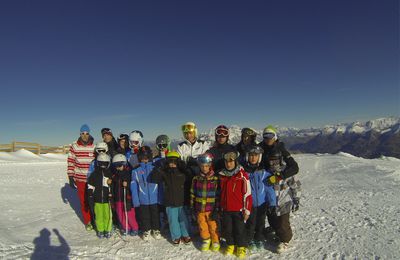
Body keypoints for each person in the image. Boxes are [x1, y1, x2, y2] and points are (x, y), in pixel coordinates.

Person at [260, 125, 300, 253]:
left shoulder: (281, 150)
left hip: (283, 198)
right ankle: (274, 229)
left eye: (270, 136)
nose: (268, 138)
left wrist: (296, 199)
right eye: (265, 136)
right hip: (271, 195)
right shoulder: (261, 149)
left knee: (283, 221)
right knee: (272, 217)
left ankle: (285, 240)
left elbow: (294, 178)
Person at [151, 151, 192, 246]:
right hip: (170, 202)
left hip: (181, 201)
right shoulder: (165, 173)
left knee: (183, 220)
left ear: (178, 162)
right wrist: (160, 167)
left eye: (175, 161)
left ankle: (185, 235)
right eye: (170, 161)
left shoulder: (183, 172)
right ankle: (176, 236)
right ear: (167, 162)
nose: (172, 164)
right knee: (173, 221)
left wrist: (185, 167)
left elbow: (190, 179)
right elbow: (154, 179)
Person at [219, 151, 252, 258]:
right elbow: (219, 193)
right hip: (226, 209)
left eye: (231, 161)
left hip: (238, 210)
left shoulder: (242, 175)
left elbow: (247, 194)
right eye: (226, 162)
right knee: (228, 229)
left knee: (239, 230)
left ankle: (241, 247)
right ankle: (230, 245)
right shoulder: (221, 175)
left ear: (235, 162)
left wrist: (247, 210)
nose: (228, 164)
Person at [243, 145, 276, 253]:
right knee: (250, 223)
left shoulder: (264, 173)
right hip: (250, 204)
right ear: (247, 156)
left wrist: (272, 203)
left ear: (259, 157)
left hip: (262, 204)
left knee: (261, 222)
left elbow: (269, 190)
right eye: (251, 155)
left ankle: (259, 238)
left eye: (256, 156)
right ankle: (250, 239)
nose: (253, 158)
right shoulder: (244, 173)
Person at [67, 124, 95, 231]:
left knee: (93, 200)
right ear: (80, 134)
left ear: (89, 134)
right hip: (80, 179)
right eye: (83, 133)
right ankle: (88, 221)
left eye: (87, 133)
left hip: (92, 179)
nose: (85, 135)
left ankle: (95, 219)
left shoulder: (93, 146)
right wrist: (70, 176)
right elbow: (70, 161)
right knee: (84, 201)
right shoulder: (74, 146)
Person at [190, 153, 220, 252]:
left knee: (213, 226)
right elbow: (192, 193)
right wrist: (192, 206)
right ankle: (206, 239)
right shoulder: (196, 179)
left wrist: (217, 208)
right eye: (202, 166)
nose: (204, 168)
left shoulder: (215, 179)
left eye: (206, 166)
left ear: (210, 165)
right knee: (202, 226)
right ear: (199, 166)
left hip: (211, 208)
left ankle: (215, 241)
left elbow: (218, 195)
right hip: (200, 208)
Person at [131, 146, 161, 241]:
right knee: (145, 216)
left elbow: (159, 184)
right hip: (143, 198)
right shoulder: (136, 171)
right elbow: (134, 186)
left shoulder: (155, 168)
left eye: (147, 157)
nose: (145, 159)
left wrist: (160, 198)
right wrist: (136, 200)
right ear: (139, 158)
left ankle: (156, 229)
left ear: (150, 157)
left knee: (155, 214)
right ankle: (146, 229)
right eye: (143, 157)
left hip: (154, 197)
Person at [87, 153, 114, 238]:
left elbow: (114, 186)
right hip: (97, 199)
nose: (103, 165)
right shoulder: (94, 174)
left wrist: (111, 183)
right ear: (98, 163)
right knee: (99, 216)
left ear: (108, 163)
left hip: (107, 200)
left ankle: (108, 229)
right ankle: (100, 230)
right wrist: (90, 194)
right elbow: (90, 185)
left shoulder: (110, 174)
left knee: (108, 216)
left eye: (105, 163)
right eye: (101, 163)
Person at [111, 153, 139, 236]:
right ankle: (125, 227)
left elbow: (134, 184)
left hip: (127, 198)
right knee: (120, 214)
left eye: (120, 165)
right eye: (116, 166)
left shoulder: (129, 173)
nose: (118, 167)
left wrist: (128, 184)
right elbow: (113, 185)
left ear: (124, 164)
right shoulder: (114, 175)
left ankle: (134, 228)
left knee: (130, 214)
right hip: (118, 198)